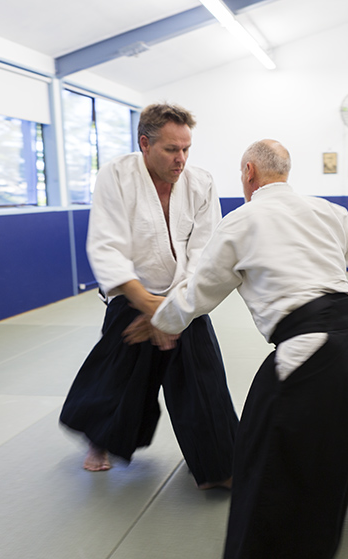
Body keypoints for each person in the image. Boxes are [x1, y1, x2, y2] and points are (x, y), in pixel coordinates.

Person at [124, 139, 348, 558]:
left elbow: (201, 291)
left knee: (259, 449)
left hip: (308, 353)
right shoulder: (330, 211)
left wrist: (160, 320)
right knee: (336, 408)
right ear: (285, 171)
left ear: (249, 172)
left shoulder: (240, 221)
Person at [59, 103, 237, 490]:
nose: (181, 159)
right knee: (120, 376)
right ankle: (99, 441)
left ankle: (218, 465)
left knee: (202, 376)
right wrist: (149, 307)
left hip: (184, 294)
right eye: (172, 149)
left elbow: (204, 252)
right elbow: (106, 247)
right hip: (131, 293)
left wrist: (173, 311)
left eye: (187, 149)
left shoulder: (200, 182)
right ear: (145, 143)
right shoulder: (117, 177)